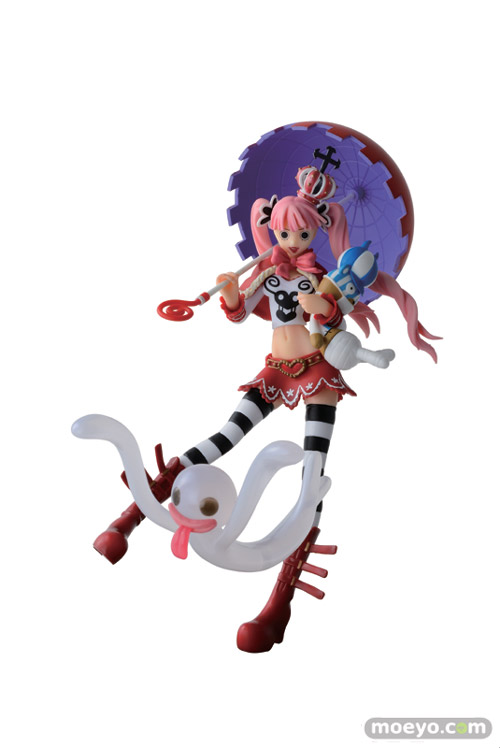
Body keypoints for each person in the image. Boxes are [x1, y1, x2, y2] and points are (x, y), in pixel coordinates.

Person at [93, 155, 439, 653]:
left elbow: (330, 318)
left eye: (302, 235)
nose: (292, 242)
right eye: (284, 233)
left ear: (317, 233)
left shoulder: (322, 278)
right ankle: (130, 517)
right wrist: (233, 293)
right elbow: (238, 315)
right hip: (275, 370)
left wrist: (324, 306)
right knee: (224, 436)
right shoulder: (267, 274)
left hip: (317, 371)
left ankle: (281, 599)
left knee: (313, 472)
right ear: (273, 229)